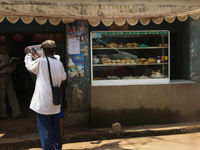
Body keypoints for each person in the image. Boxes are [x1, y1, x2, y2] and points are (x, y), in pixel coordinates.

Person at [24, 40, 66, 150]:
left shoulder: (41, 62)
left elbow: (29, 66)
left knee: (45, 130)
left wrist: (28, 54)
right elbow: (63, 78)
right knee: (56, 131)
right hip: (55, 102)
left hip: (43, 103)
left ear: (43, 51)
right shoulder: (59, 63)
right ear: (54, 51)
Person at [0, 43, 21, 118]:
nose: (4, 50)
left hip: (8, 75)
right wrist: (6, 65)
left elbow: (10, 67)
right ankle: (3, 114)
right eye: (2, 48)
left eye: (4, 48)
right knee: (1, 95)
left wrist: (12, 64)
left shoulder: (6, 55)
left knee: (12, 94)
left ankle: (16, 113)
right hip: (1, 76)